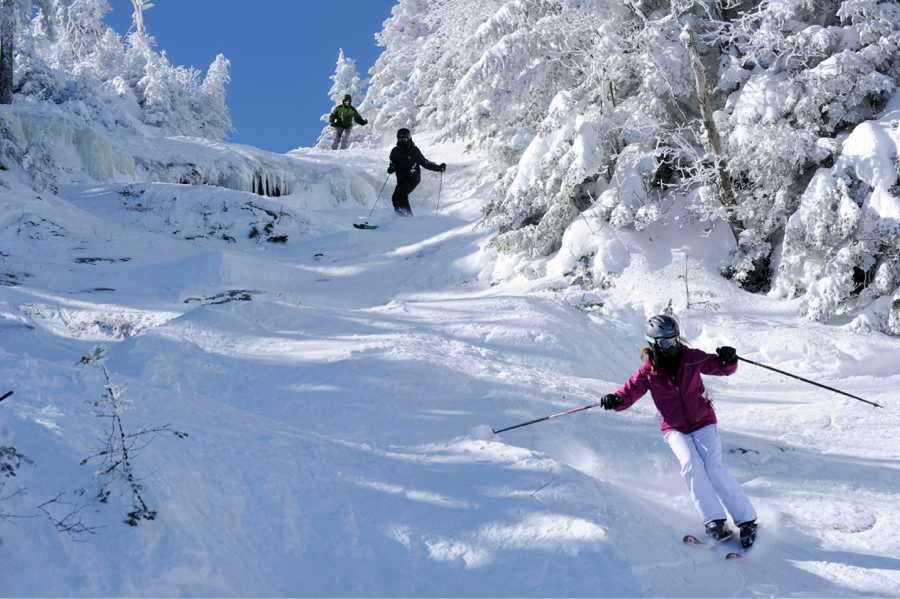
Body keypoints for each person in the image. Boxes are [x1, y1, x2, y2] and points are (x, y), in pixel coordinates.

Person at [601, 314, 759, 549]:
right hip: (675, 428)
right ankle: (715, 521)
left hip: (703, 421)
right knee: (691, 465)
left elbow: (723, 369)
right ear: (653, 343)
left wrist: (729, 359)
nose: (673, 345)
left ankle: (747, 521)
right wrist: (615, 400)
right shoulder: (648, 372)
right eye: (665, 342)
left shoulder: (692, 357)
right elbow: (628, 394)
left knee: (714, 468)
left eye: (675, 339)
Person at [387, 128, 445, 216]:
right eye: (400, 139)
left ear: (409, 139)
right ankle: (399, 217)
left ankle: (408, 217)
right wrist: (391, 168)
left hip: (412, 178)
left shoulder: (414, 150)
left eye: (404, 139)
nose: (402, 142)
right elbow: (393, 164)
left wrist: (438, 168)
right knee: (395, 198)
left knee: (400, 193)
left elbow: (425, 163)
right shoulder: (395, 151)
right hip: (401, 179)